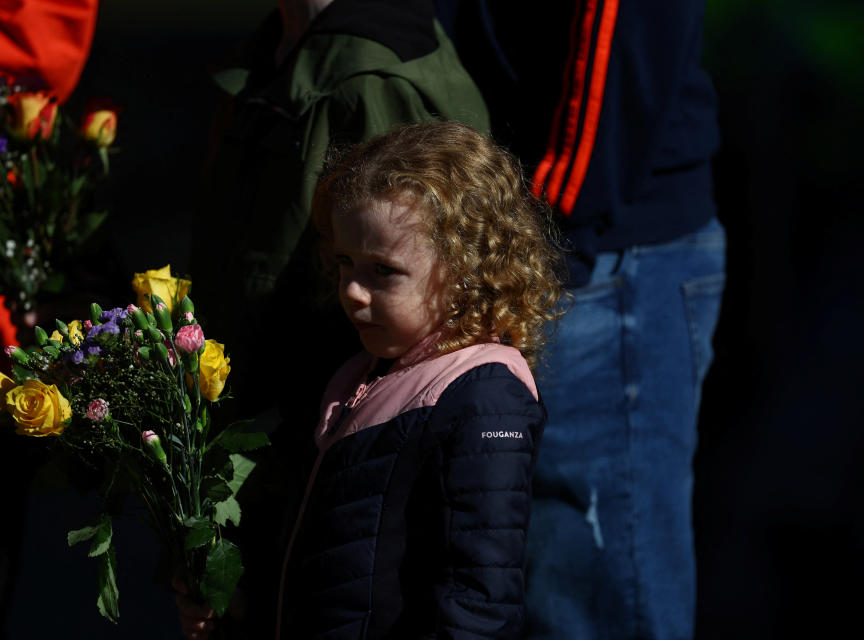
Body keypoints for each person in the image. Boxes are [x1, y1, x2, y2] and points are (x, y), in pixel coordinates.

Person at [179, 120, 566, 639]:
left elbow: (479, 600)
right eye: (344, 262)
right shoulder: (359, 368)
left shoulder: (485, 396)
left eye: (382, 271)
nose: (352, 292)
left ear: (465, 267)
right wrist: (237, 605)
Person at [434, 2, 726, 638]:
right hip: (529, 230)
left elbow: (616, 40)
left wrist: (523, 246)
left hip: (589, 245)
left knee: (591, 596)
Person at [189, 0, 490, 428]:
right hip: (243, 411)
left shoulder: (376, 78)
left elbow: (422, 310)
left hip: (319, 430)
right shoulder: (269, 50)